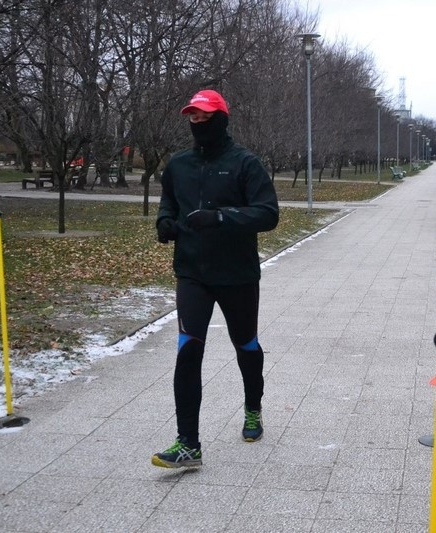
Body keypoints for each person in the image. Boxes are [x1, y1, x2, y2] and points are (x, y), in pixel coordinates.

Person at [152, 89, 279, 468]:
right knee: (188, 350)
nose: (198, 123)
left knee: (246, 346)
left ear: (221, 119)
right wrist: (164, 222)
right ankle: (188, 443)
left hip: (237, 274)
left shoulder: (245, 163)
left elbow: (268, 213)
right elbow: (169, 202)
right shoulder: (178, 165)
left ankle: (253, 408)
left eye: (205, 117)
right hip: (192, 272)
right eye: (193, 117)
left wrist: (222, 217)